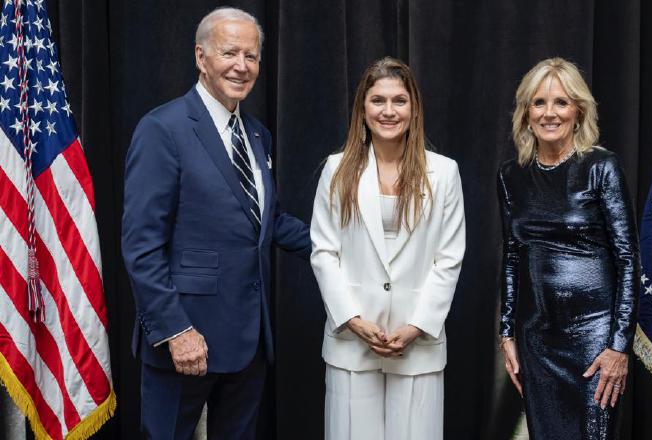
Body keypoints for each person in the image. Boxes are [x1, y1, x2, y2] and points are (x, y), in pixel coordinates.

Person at [121, 7, 310, 439]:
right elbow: (141, 245)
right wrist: (175, 330)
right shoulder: (162, 128)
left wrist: (336, 244)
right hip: (186, 338)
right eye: (230, 53)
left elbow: (267, 219)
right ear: (201, 57)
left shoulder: (257, 134)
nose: (242, 66)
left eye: (252, 55)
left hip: (249, 339)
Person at [310, 57, 465, 440]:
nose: (389, 111)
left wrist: (417, 326)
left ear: (414, 108)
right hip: (352, 342)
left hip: (418, 343)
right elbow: (323, 252)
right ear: (362, 109)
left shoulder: (444, 172)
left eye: (399, 100)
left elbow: (449, 258)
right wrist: (352, 318)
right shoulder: (337, 169)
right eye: (378, 100)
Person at [497, 57, 639, 439]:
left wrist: (618, 346)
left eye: (561, 102)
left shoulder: (601, 167)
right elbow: (512, 256)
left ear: (578, 110)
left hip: (596, 342)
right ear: (526, 112)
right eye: (538, 103)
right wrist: (507, 334)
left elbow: (627, 259)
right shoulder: (512, 175)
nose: (549, 113)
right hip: (537, 341)